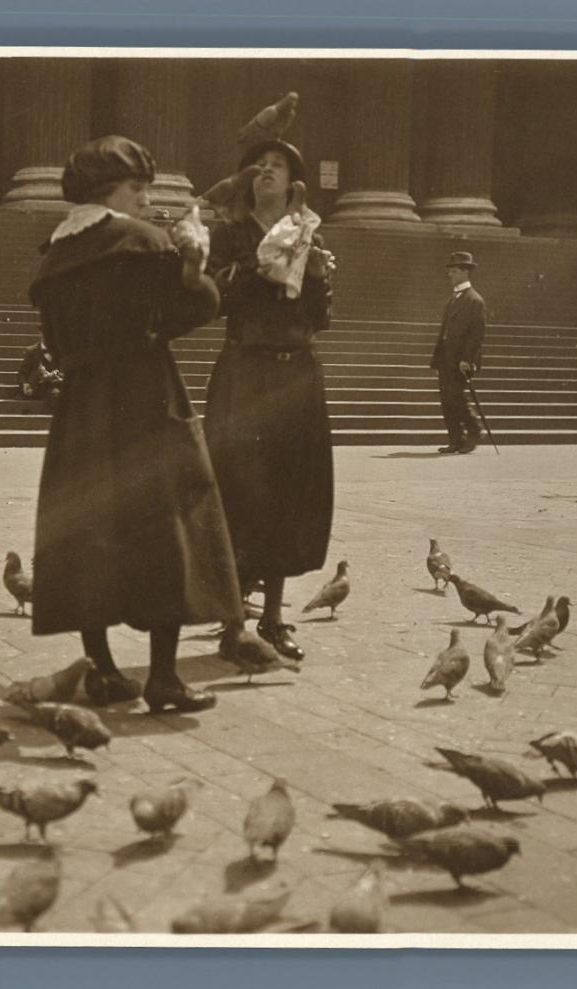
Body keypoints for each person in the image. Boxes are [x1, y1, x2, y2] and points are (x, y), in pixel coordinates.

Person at [27, 135, 243, 715]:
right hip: (145, 399)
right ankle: (166, 679)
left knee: (89, 532)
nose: (147, 202)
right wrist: (195, 266)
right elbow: (190, 312)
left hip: (81, 410)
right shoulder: (141, 243)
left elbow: (56, 339)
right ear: (110, 191)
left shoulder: (54, 254)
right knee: (169, 526)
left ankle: (101, 671)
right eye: (139, 189)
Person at [200, 93, 336, 663]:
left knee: (289, 495)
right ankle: (235, 621)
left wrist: (322, 279)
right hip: (245, 372)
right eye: (256, 169)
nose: (262, 175)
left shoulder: (307, 233)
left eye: (273, 169)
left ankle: (276, 618)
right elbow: (211, 300)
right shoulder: (229, 234)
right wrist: (257, 266)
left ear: (292, 182)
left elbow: (319, 319)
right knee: (238, 492)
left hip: (295, 375)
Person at [430, 251, 487, 454]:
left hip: (460, 360)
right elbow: (444, 331)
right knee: (446, 399)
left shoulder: (475, 301)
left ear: (465, 272)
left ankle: (474, 431)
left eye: (454, 271)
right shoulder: (454, 298)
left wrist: (467, 360)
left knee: (456, 397)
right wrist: (437, 360)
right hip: (446, 358)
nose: (450, 275)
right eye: (450, 271)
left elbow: (476, 335)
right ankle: (455, 439)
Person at [16, 340, 64, 408]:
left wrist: (57, 376)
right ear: (41, 333)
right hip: (36, 388)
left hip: (54, 387)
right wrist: (24, 384)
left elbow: (64, 370)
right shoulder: (31, 350)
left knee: (57, 395)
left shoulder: (60, 351)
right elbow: (22, 373)